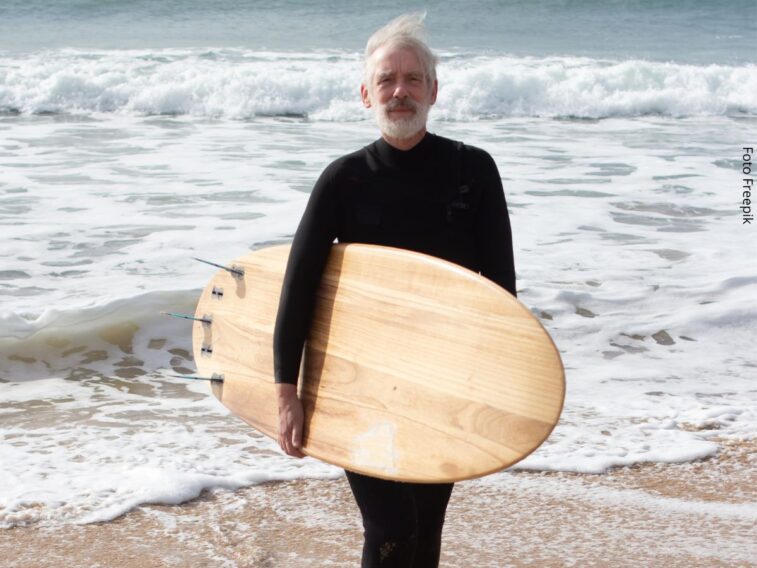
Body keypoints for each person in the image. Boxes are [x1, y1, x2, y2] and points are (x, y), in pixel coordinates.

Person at [273, 13, 516, 568]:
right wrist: (287, 392)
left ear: (434, 91)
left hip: (444, 382)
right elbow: (299, 286)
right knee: (391, 527)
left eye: (412, 79)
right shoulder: (344, 179)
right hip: (358, 384)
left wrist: (497, 395)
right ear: (365, 94)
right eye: (386, 80)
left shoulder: (473, 171)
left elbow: (502, 295)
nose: (399, 91)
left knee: (426, 529)